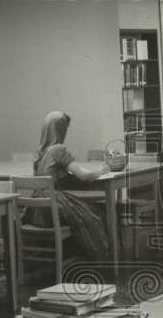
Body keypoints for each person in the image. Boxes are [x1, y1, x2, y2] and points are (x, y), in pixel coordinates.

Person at [32, 110, 110, 261]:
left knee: (83, 213)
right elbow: (83, 175)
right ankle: (99, 258)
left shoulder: (40, 153)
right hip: (53, 206)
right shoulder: (58, 150)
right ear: (59, 129)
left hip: (37, 211)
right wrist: (102, 170)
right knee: (96, 214)